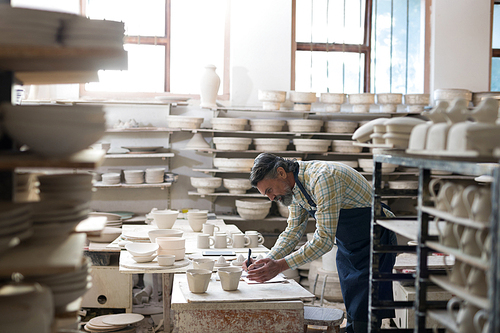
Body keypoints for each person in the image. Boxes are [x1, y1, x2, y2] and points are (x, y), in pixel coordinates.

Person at [244, 153, 397, 333]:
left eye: (269, 190)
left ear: (281, 173)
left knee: (367, 311)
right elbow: (292, 232)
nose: (271, 198)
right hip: (349, 245)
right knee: (354, 308)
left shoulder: (324, 178)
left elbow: (324, 240)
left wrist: (279, 266)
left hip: (376, 240)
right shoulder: (292, 189)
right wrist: (267, 260)